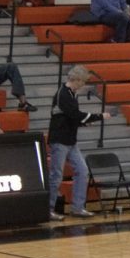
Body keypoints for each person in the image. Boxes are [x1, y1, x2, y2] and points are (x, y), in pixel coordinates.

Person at [47, 65, 110, 221]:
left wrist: (83, 123)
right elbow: (75, 114)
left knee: (82, 171)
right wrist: (99, 116)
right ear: (75, 79)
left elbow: (70, 117)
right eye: (82, 82)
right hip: (59, 141)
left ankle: (78, 207)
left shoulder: (72, 94)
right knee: (56, 175)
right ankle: (47, 209)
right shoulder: (64, 95)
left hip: (70, 140)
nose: (83, 85)